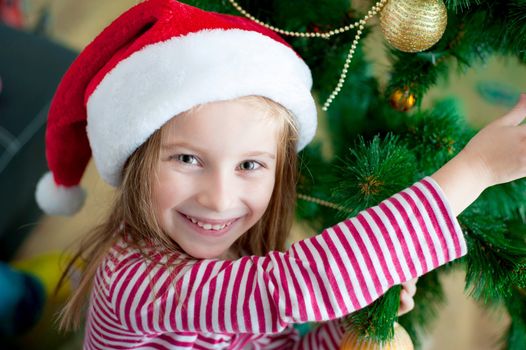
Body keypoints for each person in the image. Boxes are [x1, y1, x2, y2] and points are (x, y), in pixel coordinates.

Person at [34, 0, 526, 348]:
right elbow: (289, 287)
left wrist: (345, 327)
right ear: (138, 160)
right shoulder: (139, 283)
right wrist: (476, 169)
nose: (219, 198)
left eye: (250, 165)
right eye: (187, 159)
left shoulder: (235, 248)